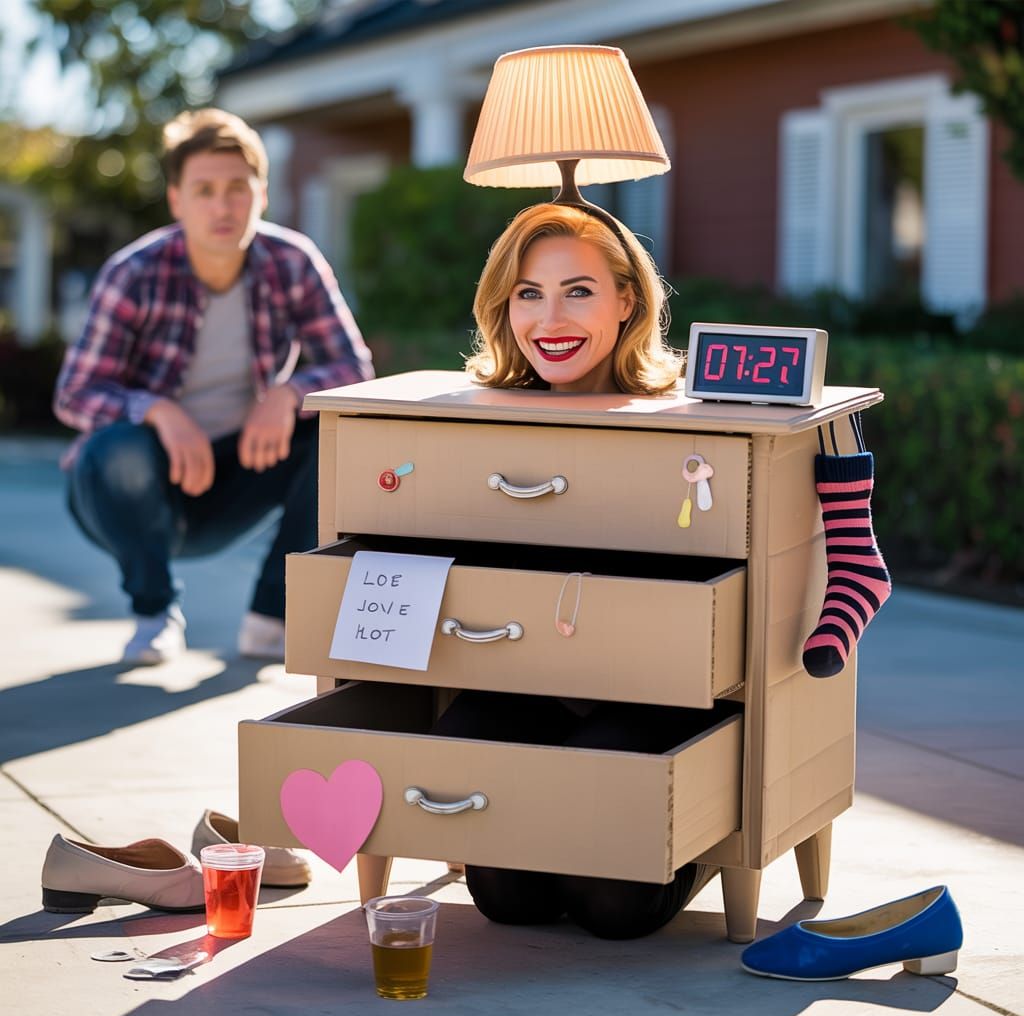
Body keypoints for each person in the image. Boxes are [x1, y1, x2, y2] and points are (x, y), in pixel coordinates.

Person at [438, 202, 723, 940]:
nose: (550, 318)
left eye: (579, 291)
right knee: (509, 901)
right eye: (529, 293)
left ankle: (706, 835)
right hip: (525, 678)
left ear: (628, 300)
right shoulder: (482, 416)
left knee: (613, 908)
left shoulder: (690, 420)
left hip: (649, 688)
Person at [53, 108, 374, 665]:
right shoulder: (134, 272)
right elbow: (75, 393)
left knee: (336, 436)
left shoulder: (292, 262)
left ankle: (269, 619)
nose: (222, 207)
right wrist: (157, 411)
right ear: (177, 200)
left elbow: (354, 369)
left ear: (262, 193)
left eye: (236, 189)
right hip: (135, 487)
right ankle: (153, 614)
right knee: (117, 448)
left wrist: (288, 394)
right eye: (204, 190)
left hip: (239, 471)